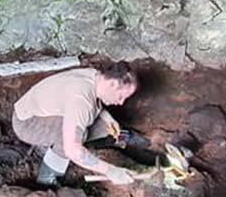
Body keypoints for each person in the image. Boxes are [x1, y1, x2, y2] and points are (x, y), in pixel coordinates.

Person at [11, 62, 139, 187]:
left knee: (104, 127)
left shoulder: (96, 77)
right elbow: (72, 149)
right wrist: (111, 171)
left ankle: (120, 139)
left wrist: (109, 119)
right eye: (121, 96)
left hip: (43, 110)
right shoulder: (81, 99)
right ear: (113, 83)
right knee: (77, 137)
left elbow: (94, 101)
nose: (121, 102)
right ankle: (47, 179)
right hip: (28, 123)